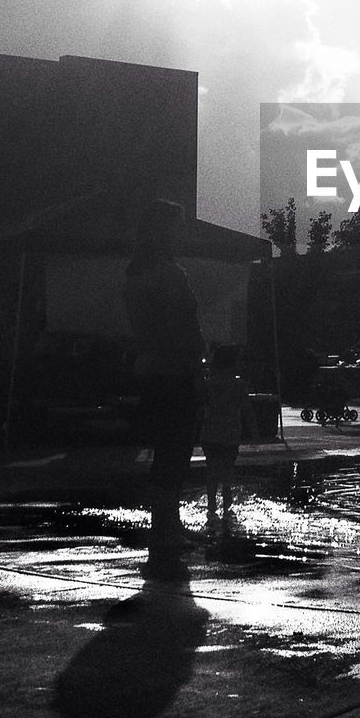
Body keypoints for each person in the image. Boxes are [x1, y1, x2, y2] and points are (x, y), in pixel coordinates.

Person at [123, 199, 207, 581]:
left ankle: (165, 526)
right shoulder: (171, 276)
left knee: (164, 454)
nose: (183, 232)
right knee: (176, 453)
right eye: (177, 226)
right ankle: (166, 530)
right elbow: (184, 329)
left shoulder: (135, 275)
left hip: (151, 370)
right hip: (176, 372)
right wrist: (196, 363)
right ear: (164, 232)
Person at [201, 346, 257, 530]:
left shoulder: (209, 384)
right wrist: (253, 429)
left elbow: (199, 408)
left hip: (210, 432)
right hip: (230, 433)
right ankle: (227, 508)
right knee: (227, 471)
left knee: (212, 470)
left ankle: (211, 507)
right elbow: (247, 409)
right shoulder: (238, 385)